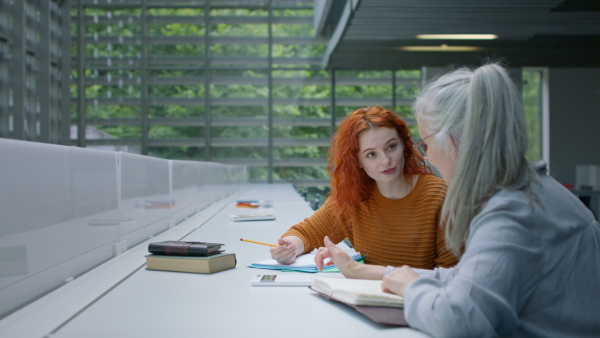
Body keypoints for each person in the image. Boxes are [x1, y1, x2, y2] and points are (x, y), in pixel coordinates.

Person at [324, 63, 600, 336]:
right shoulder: (534, 192)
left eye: (426, 145)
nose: (427, 157)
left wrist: (411, 289)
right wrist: (374, 273)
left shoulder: (510, 215)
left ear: (451, 145)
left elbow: (456, 322)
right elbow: (466, 277)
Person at [269, 106, 458, 279]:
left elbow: (451, 277)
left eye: (391, 147)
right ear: (357, 161)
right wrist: (289, 248)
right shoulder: (354, 198)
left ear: (403, 145)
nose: (386, 161)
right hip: (367, 302)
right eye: (371, 154)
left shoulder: (440, 196)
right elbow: (307, 233)